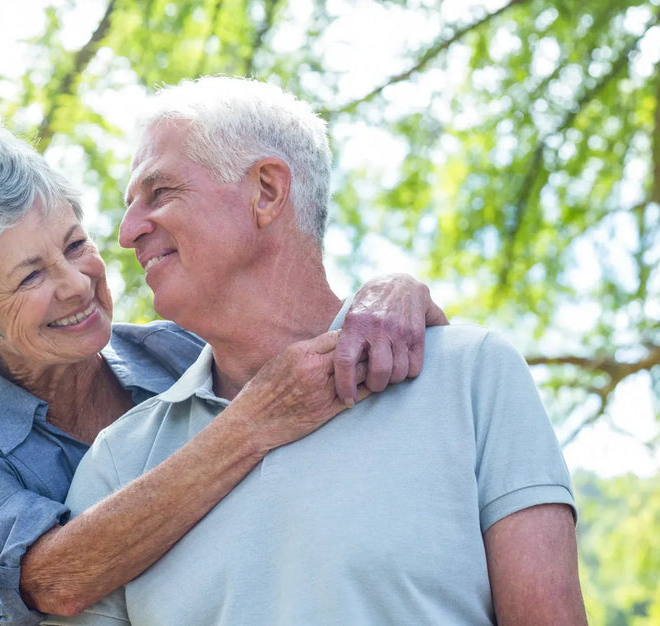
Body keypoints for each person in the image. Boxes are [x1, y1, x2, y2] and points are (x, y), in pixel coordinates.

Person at [53, 76, 587, 625]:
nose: (125, 232)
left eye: (159, 193)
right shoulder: (120, 462)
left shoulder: (470, 376)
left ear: (266, 191)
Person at [0, 124, 447, 624]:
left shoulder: (177, 351)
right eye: (29, 277)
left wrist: (391, 294)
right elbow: (52, 580)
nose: (76, 284)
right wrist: (251, 424)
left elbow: (316, 356)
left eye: (75, 245)